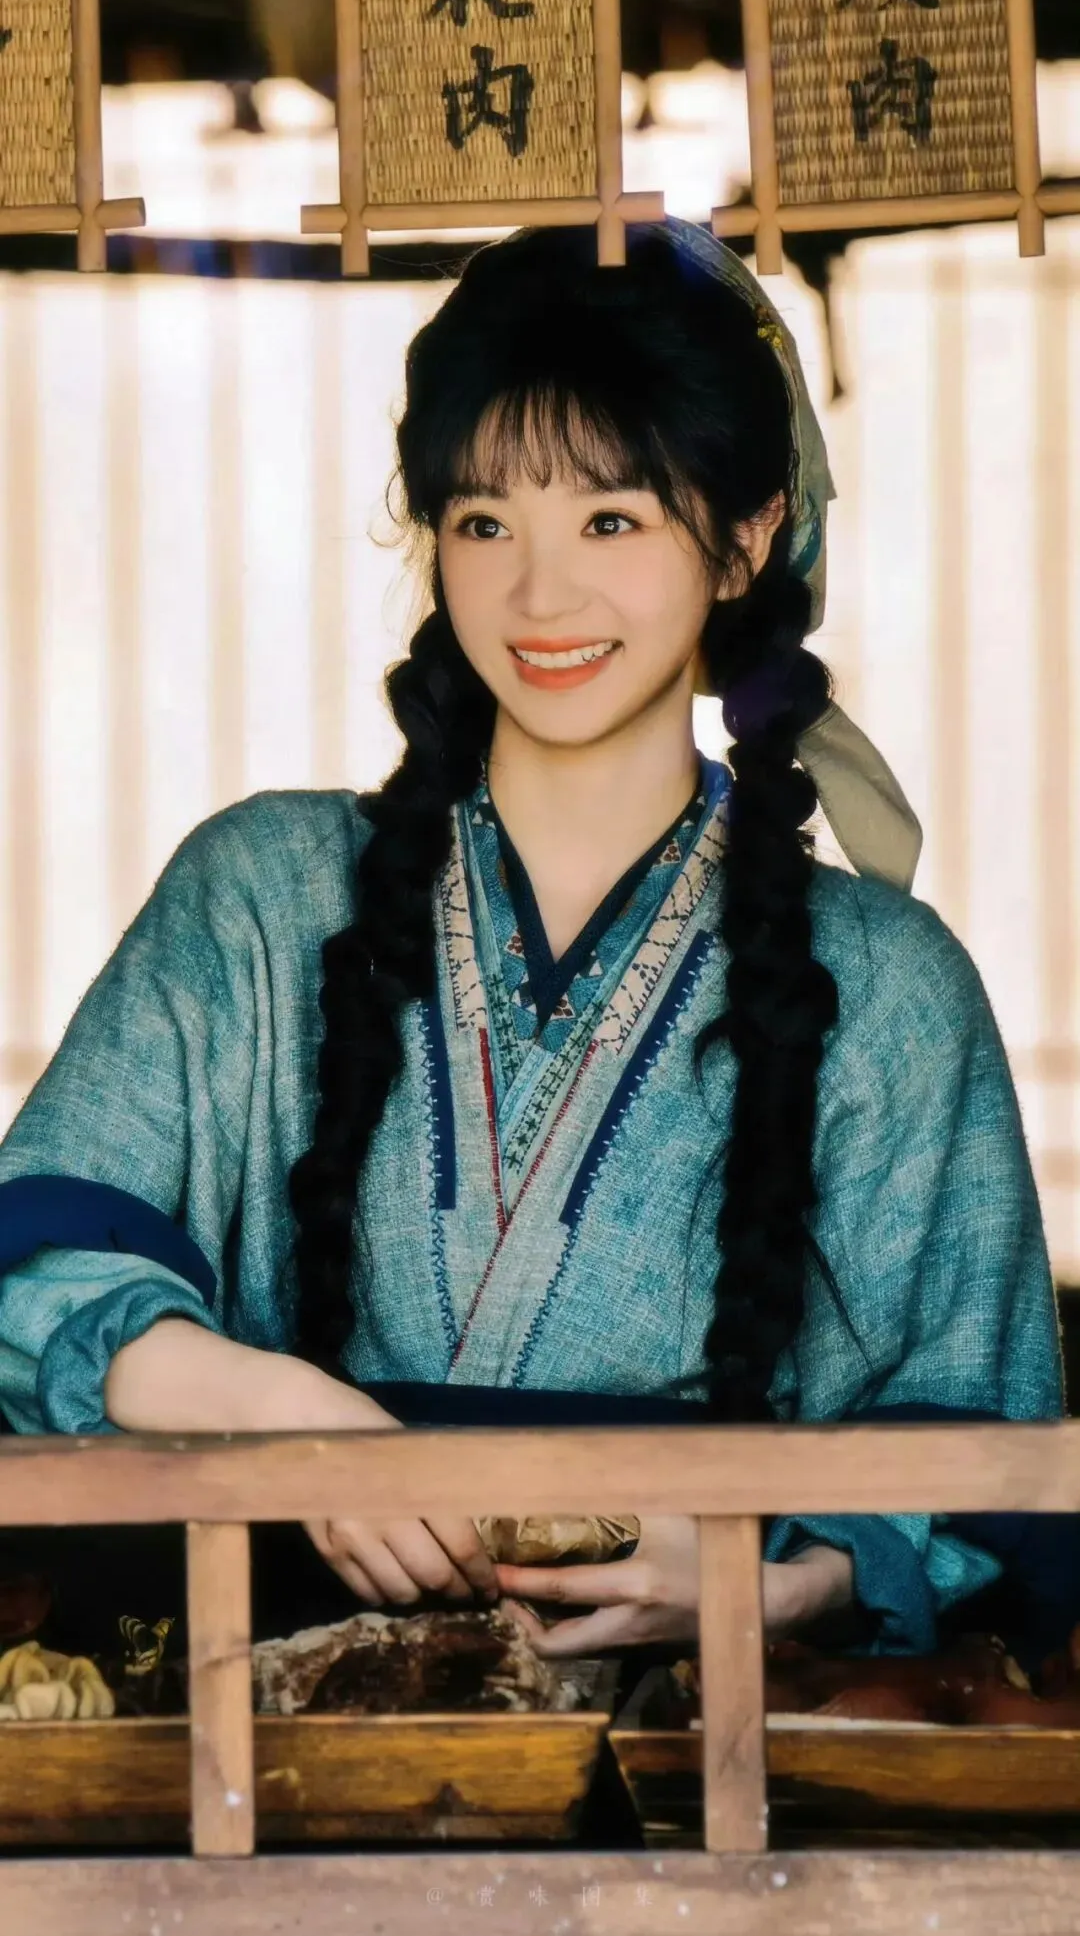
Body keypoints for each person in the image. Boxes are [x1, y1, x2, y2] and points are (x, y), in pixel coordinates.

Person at [0, 220, 1065, 1664]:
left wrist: (757, 1582)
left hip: (699, 1755)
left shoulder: (889, 986)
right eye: (485, 521)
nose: (540, 595)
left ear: (747, 539)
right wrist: (294, 1421)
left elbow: (991, 1461)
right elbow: (28, 1272)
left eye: (611, 520)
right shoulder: (256, 894)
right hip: (268, 1729)